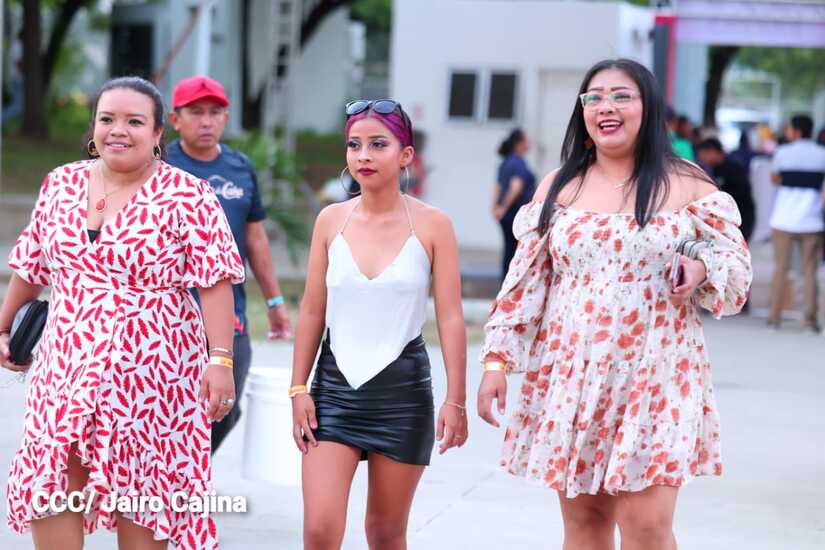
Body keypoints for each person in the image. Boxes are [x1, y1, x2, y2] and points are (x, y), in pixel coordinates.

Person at [477, 59, 752, 550]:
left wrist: (700, 269)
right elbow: (523, 285)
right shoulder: (560, 186)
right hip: (573, 373)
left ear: (648, 108)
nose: (606, 107)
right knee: (585, 526)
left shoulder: (686, 182)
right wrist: (497, 361)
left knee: (647, 527)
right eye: (594, 97)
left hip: (658, 372)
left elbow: (735, 269)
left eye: (621, 96)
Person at [0, 76, 244, 550]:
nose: (118, 130)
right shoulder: (60, 183)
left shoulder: (188, 195)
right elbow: (32, 264)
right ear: (93, 127)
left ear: (157, 133)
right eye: (107, 119)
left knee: (145, 491)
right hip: (66, 366)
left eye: (134, 121)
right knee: (53, 478)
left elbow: (216, 283)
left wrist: (221, 361)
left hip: (154, 377)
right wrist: (4, 326)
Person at [289, 99, 468, 549]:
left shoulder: (434, 225)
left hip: (402, 396)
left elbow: (450, 317)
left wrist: (457, 400)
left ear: (406, 155)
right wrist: (298, 389)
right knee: (319, 529)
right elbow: (311, 310)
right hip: (333, 392)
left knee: (385, 533)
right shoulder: (330, 220)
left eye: (377, 145)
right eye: (354, 145)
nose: (363, 156)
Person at [166, 75, 292, 454]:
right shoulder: (159, 165)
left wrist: (274, 302)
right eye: (196, 112)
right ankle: (170, 475)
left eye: (215, 112)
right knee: (168, 407)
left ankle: (188, 470)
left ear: (226, 117)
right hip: (169, 313)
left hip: (229, 312)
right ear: (175, 119)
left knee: (225, 406)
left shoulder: (240, 167)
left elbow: (256, 239)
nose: (206, 121)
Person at [767, 114, 825, 333]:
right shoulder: (822, 154)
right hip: (812, 221)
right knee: (809, 272)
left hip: (783, 219)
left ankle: (774, 318)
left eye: (789, 129)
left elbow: (774, 178)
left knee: (780, 269)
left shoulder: (782, 152)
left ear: (797, 131)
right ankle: (809, 321)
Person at [493, 129, 537, 281]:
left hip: (506, 215)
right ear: (519, 143)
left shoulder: (506, 162)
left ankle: (505, 282)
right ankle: (511, 283)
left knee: (508, 250)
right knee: (515, 252)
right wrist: (504, 207)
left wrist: (496, 208)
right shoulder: (518, 162)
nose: (529, 143)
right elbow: (516, 186)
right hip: (515, 214)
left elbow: (498, 187)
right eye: (526, 140)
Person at [696, 137, 756, 242]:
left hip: (741, 217)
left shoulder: (735, 168)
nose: (702, 159)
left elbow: (741, 192)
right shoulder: (712, 169)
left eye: (704, 155)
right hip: (724, 217)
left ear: (713, 151)